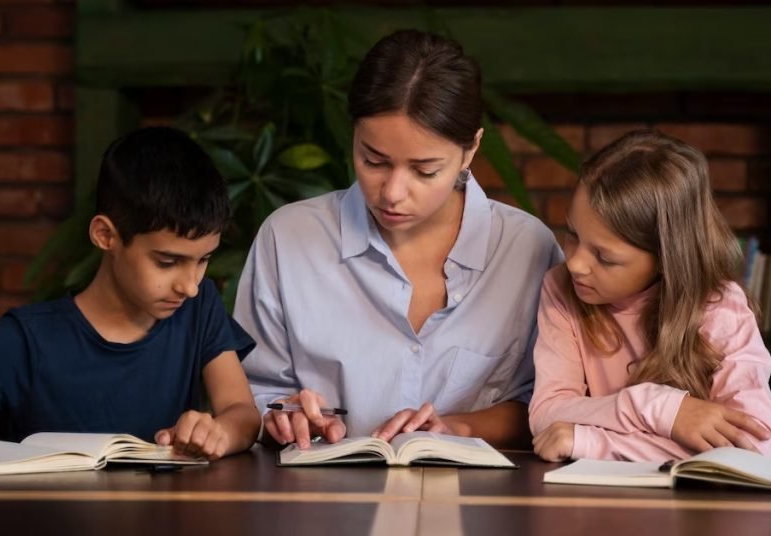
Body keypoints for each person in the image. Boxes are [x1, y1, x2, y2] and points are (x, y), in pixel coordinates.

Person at [234, 30, 562, 450]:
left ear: (470, 149)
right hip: (320, 504)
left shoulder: (526, 249)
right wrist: (284, 415)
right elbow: (249, 394)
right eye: (373, 161)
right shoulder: (289, 238)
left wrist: (456, 427)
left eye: (425, 171)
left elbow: (550, 402)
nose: (391, 192)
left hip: (482, 506)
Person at [0, 127, 260, 477]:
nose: (190, 286)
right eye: (167, 262)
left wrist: (218, 433)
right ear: (105, 236)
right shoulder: (31, 337)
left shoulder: (198, 309)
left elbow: (242, 413)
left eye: (203, 260)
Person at [528, 129, 771, 462]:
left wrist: (591, 442)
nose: (574, 263)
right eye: (572, 234)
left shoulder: (722, 310)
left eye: (604, 257)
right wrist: (661, 410)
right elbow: (547, 414)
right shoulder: (561, 289)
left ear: (664, 260)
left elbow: (755, 451)